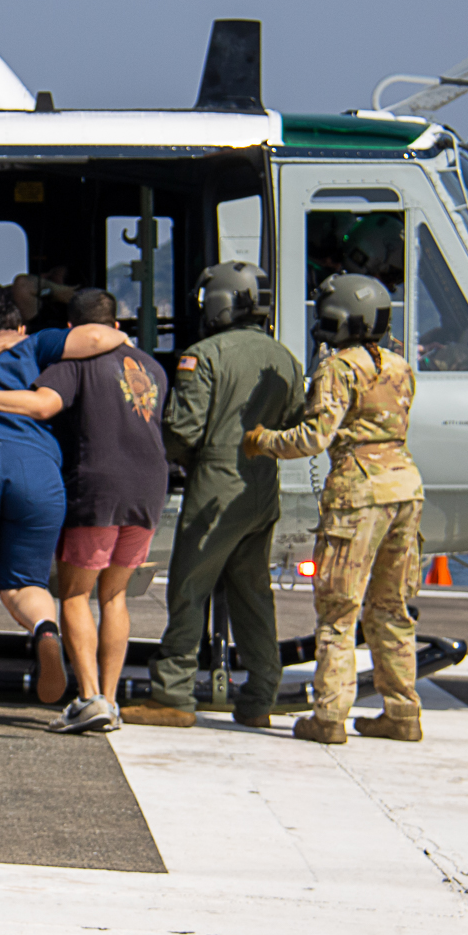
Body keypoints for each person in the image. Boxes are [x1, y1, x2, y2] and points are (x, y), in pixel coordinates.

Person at [0, 289, 170, 735]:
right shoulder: (154, 366)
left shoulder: (76, 363)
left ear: (74, 330)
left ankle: (88, 698)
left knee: (74, 595)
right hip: (150, 489)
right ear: (117, 326)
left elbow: (45, 405)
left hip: (98, 486)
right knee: (115, 596)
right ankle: (110, 699)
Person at [246, 273, 425, 744]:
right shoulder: (400, 366)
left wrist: (263, 441)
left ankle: (329, 716)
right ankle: (402, 712)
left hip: (358, 494)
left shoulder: (339, 369)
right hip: (405, 488)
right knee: (391, 607)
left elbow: (314, 438)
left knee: (338, 612)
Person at [127, 261, 304, 731]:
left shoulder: (202, 356)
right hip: (263, 484)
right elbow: (291, 422)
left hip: (216, 485)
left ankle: (173, 694)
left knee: (190, 587)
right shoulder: (286, 357)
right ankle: (261, 694)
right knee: (252, 591)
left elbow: (185, 428)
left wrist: (167, 456)